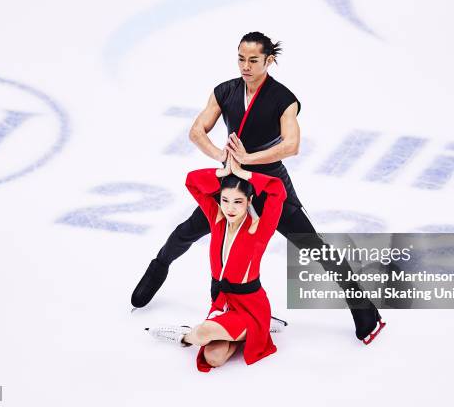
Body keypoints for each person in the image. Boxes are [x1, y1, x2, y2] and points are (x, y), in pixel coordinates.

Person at [133, 31, 385, 344]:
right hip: (232, 184)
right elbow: (197, 131)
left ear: (269, 60)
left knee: (316, 249)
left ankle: (366, 313)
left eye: (253, 60)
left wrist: (249, 158)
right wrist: (222, 156)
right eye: (241, 58)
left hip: (269, 185)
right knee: (186, 232)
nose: (246, 65)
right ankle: (158, 270)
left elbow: (291, 145)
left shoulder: (284, 99)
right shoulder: (225, 91)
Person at [147, 154, 286, 372]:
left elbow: (278, 189)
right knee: (214, 358)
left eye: (238, 201)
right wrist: (222, 173)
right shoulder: (216, 218)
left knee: (203, 333)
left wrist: (244, 174)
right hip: (223, 300)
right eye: (225, 200)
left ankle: (183, 334)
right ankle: (256, 330)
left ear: (249, 201)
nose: (230, 208)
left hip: (250, 306)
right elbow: (191, 181)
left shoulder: (259, 228)